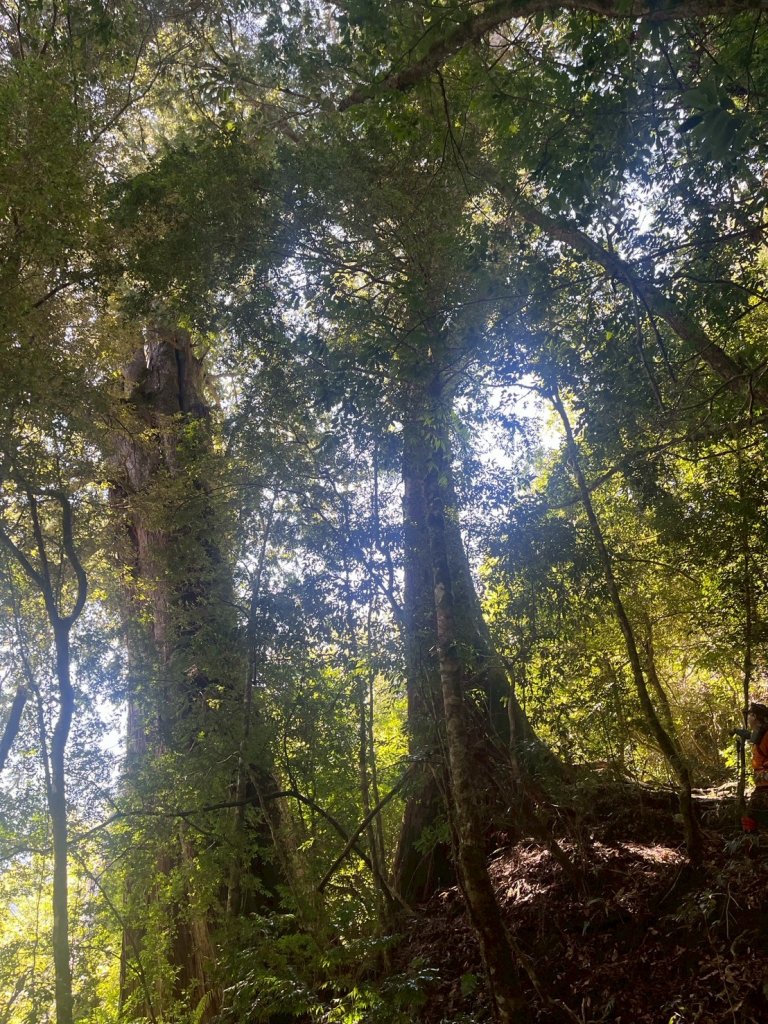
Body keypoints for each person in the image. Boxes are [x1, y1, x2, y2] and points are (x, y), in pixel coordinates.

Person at [734, 702, 768, 832]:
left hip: (765, 789)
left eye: (749, 715)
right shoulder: (760, 734)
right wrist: (737, 731)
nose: (748, 718)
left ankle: (752, 848)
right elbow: (750, 736)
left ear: (754, 716)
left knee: (751, 819)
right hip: (762, 786)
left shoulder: (766, 734)